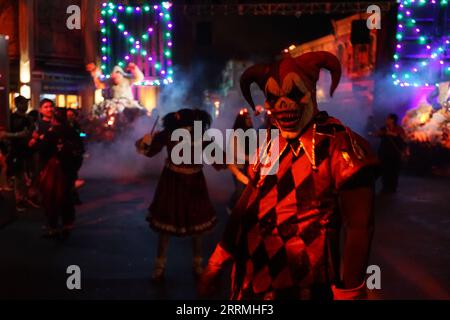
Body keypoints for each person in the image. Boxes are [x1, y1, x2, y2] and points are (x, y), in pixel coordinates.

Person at [199, 51, 379, 300]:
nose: (283, 104)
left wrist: (349, 292)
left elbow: (359, 226)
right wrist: (218, 259)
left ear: (310, 92)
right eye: (273, 97)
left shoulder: (340, 144)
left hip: (304, 287)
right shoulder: (271, 141)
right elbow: (248, 203)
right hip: (253, 282)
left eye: (294, 93)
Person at [136, 108, 217, 283]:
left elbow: (216, 157)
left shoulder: (195, 134)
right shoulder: (175, 134)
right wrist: (147, 141)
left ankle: (185, 266)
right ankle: (167, 266)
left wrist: (146, 142)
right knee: (174, 225)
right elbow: (149, 151)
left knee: (191, 225)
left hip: (185, 182)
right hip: (178, 181)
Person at [29, 102, 83, 239]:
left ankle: (53, 227)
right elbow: (80, 149)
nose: (49, 110)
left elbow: (42, 150)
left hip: (54, 170)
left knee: (51, 198)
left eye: (51, 108)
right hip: (68, 169)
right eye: (46, 107)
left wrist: (37, 141)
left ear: (54, 118)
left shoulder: (52, 132)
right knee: (66, 196)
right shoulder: (72, 131)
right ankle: (67, 225)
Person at [0, 96, 33, 211]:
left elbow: (30, 132)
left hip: (26, 150)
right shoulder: (11, 118)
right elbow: (4, 134)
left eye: (26, 103)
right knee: (15, 176)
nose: (26, 106)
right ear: (17, 104)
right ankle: (17, 201)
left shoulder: (29, 118)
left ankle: (23, 198)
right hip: (14, 151)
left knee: (24, 176)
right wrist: (19, 135)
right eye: (23, 103)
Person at [226, 108, 254, 214]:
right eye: (247, 118)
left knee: (247, 190)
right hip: (237, 167)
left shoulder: (251, 133)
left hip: (248, 166)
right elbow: (236, 154)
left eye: (250, 117)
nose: (250, 120)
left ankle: (243, 210)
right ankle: (230, 206)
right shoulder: (235, 134)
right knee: (240, 190)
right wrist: (251, 158)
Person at [375, 113, 408, 194]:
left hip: (395, 154)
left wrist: (393, 134)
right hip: (384, 154)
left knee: (394, 171)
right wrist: (383, 133)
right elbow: (377, 134)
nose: (386, 120)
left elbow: (404, 139)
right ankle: (385, 188)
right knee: (385, 171)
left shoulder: (399, 129)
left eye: (388, 119)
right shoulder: (384, 128)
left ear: (392, 120)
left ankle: (393, 187)